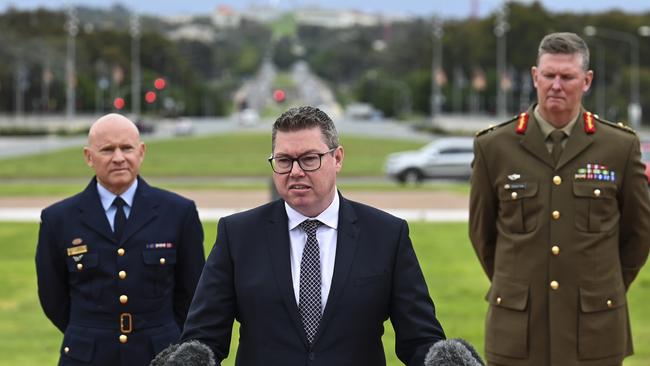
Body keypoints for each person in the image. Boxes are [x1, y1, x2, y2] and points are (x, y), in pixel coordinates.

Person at [177, 105, 446, 365]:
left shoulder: (387, 234)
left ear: (337, 158)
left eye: (308, 159)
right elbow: (204, 339)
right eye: (284, 160)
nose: (295, 171)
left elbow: (420, 340)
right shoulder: (237, 235)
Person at [469, 32, 650, 366]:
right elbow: (483, 235)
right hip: (518, 330)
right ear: (535, 76)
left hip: (594, 329)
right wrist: (517, 286)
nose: (556, 84)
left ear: (587, 81)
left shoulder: (619, 146)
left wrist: (603, 287)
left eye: (567, 77)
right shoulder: (494, 146)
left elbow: (638, 234)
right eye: (548, 75)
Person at [36, 113, 206, 366]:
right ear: (88, 157)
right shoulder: (58, 219)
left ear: (141, 151)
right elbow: (52, 296)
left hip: (159, 355)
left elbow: (192, 292)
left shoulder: (179, 212)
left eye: (126, 148)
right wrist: (89, 333)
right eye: (107, 149)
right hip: (87, 356)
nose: (118, 158)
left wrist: (165, 337)